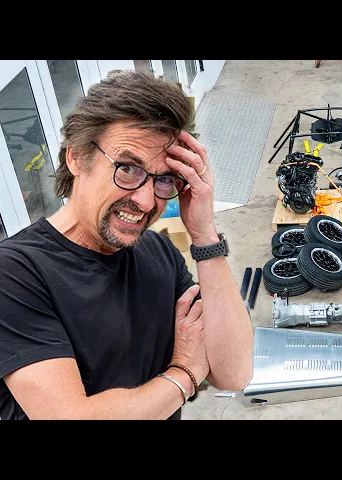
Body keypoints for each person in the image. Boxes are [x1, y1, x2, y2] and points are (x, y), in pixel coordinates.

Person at [0, 70, 254, 420]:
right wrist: (184, 374)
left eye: (164, 180)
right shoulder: (15, 273)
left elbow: (234, 372)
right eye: (128, 169)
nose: (147, 201)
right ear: (77, 158)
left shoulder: (159, 253)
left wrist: (205, 235)